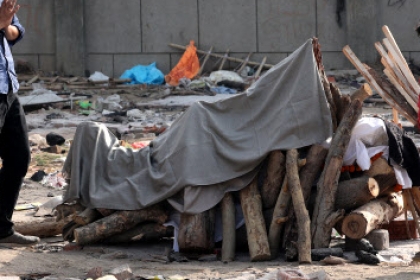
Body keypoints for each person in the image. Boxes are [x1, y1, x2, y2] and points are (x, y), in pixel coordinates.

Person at [0, 0, 39, 245]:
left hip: (8, 89)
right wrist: (2, 21)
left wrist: (5, 22)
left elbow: (15, 32)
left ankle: (1, 229)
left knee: (19, 157)